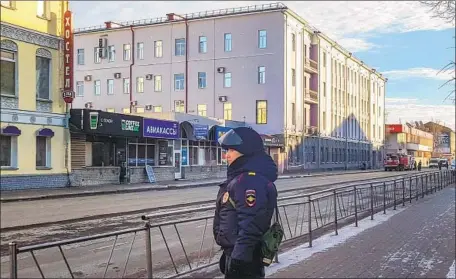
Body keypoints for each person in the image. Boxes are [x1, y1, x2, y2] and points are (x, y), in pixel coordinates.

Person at [213, 127, 278, 279]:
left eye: (231, 150)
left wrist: (238, 259)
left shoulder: (248, 181)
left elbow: (251, 224)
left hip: (246, 259)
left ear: (245, 151)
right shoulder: (241, 178)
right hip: (239, 253)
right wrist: (229, 253)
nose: (226, 155)